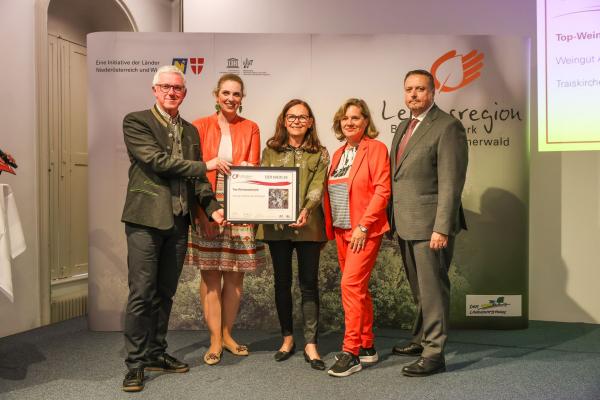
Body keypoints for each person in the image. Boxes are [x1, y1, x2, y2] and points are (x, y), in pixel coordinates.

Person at [121, 65, 225, 392]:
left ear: (184, 93)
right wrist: (205, 164)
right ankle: (135, 364)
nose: (171, 92)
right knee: (141, 294)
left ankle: (156, 352)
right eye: (165, 87)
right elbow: (157, 162)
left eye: (177, 88)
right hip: (145, 220)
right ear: (154, 90)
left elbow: (197, 179)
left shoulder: (191, 131)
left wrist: (213, 207)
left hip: (179, 223)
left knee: (165, 292)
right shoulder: (136, 121)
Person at [388, 69, 468, 377]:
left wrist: (441, 227)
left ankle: (434, 353)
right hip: (406, 222)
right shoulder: (403, 126)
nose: (413, 94)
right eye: (409, 89)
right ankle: (422, 339)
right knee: (420, 290)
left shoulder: (448, 127)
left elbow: (451, 183)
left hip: (430, 226)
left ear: (432, 93)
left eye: (420, 89)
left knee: (433, 291)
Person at [185, 73, 266, 365]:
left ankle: (228, 334)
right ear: (216, 95)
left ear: (242, 98)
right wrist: (201, 212)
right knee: (210, 276)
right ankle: (215, 339)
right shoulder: (198, 125)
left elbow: (254, 168)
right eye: (226, 93)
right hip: (208, 201)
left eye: (236, 94)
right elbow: (193, 172)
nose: (231, 98)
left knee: (234, 277)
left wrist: (248, 168)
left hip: (242, 204)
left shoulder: (252, 127)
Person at [256, 99, 329, 371]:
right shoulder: (271, 150)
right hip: (277, 227)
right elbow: (265, 184)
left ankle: (311, 343)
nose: (297, 121)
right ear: (284, 120)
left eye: (302, 117)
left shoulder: (320, 153)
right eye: (291, 116)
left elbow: (317, 187)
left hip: (309, 226)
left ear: (310, 121)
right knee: (282, 282)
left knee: (309, 284)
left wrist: (307, 210)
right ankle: (287, 338)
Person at [323, 98, 391, 377]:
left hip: (364, 231)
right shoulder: (338, 153)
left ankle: (350, 352)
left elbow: (382, 190)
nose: (350, 122)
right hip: (341, 229)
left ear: (366, 122)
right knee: (358, 290)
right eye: (345, 118)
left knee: (350, 286)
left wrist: (364, 226)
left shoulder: (375, 149)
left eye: (356, 118)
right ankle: (367, 345)